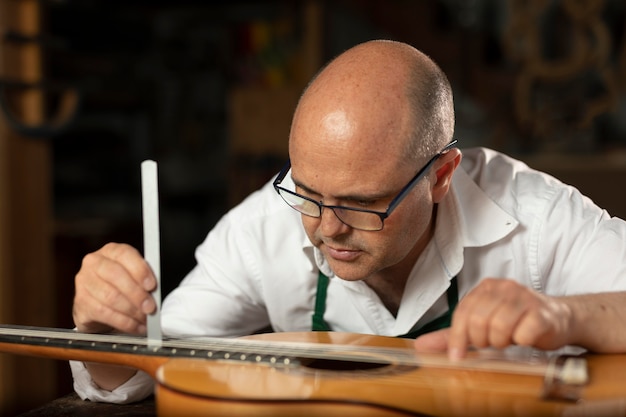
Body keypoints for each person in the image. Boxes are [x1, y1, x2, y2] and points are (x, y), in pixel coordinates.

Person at [71, 39, 626, 404]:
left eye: (361, 203)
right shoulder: (262, 226)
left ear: (441, 175)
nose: (326, 227)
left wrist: (565, 314)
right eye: (308, 192)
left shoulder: (536, 219)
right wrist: (105, 333)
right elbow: (145, 374)